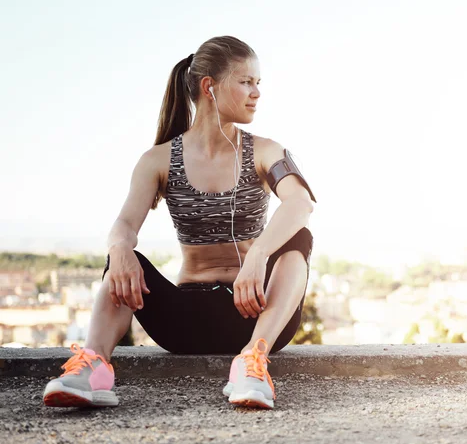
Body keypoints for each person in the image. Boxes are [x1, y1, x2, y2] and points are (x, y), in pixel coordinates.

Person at [43, 35, 316, 410]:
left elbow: (301, 203)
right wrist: (119, 248)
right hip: (185, 320)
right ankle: (93, 367)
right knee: (123, 259)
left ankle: (252, 363)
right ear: (210, 87)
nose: (256, 93)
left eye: (258, 83)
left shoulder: (267, 151)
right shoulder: (157, 161)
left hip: (257, 315)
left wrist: (258, 257)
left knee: (299, 239)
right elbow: (124, 223)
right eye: (246, 81)